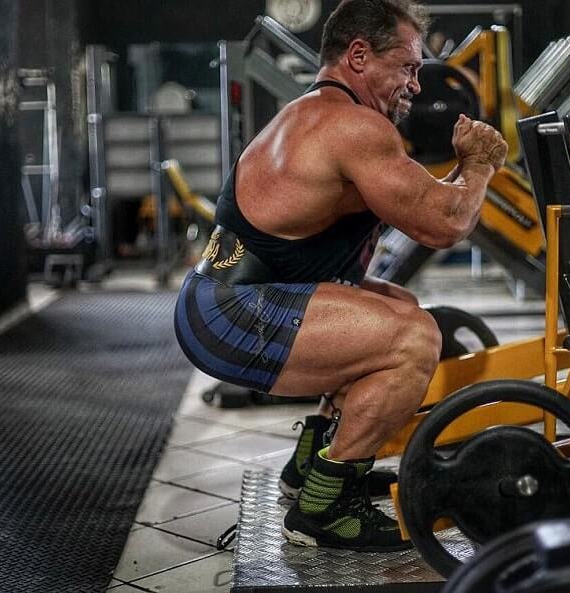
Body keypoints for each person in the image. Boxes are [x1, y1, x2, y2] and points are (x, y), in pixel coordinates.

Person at [175, 0, 507, 552]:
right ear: (358, 56)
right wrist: (478, 165)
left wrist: (460, 175)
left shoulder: (319, 113)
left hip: (226, 301)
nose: (416, 86)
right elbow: (447, 222)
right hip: (227, 314)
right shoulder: (352, 126)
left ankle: (310, 469)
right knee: (412, 339)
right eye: (407, 67)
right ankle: (325, 510)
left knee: (398, 307)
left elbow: (424, 202)